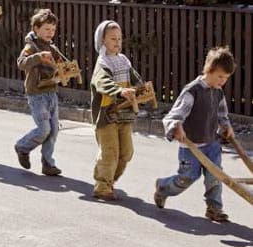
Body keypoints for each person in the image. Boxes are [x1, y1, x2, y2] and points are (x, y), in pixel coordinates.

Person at [154, 46, 236, 222]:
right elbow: (175, 114)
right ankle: (163, 187)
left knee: (215, 176)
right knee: (187, 178)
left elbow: (222, 113)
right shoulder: (193, 91)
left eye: (226, 78)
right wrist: (177, 126)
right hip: (190, 146)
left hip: (211, 143)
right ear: (209, 70)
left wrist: (226, 126)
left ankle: (214, 209)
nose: (223, 81)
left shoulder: (218, 91)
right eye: (220, 76)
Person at [90, 20, 144, 200]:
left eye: (119, 38)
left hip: (124, 115)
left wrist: (142, 89)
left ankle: (110, 179)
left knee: (126, 153)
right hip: (107, 116)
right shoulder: (102, 63)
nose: (117, 42)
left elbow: (136, 79)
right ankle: (102, 186)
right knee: (109, 153)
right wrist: (120, 91)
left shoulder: (123, 61)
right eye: (113, 38)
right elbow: (103, 83)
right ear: (102, 41)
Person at [14, 8, 62, 176]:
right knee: (44, 129)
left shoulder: (53, 48)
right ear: (36, 28)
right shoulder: (31, 47)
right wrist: (37, 57)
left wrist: (65, 72)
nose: (51, 33)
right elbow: (21, 63)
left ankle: (48, 163)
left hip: (51, 94)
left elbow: (60, 67)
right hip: (37, 95)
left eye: (53, 30)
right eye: (47, 29)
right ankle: (22, 146)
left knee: (54, 129)